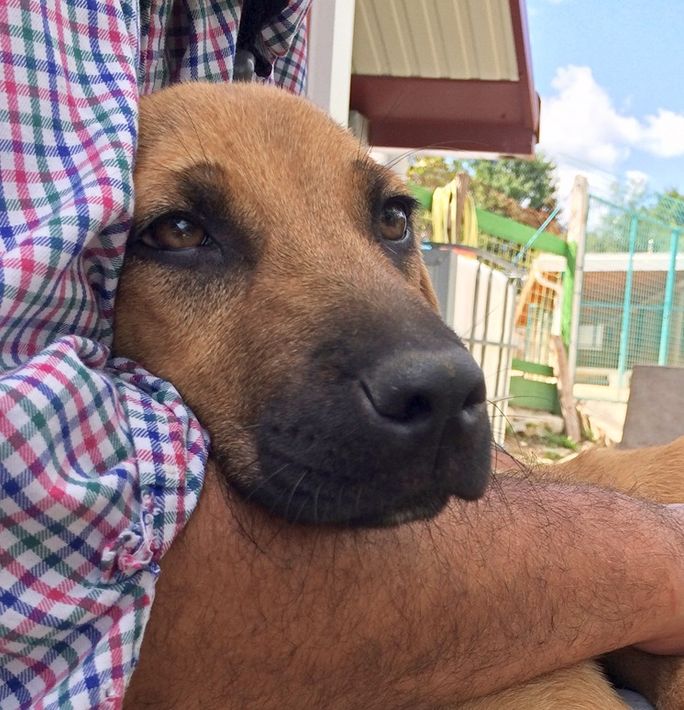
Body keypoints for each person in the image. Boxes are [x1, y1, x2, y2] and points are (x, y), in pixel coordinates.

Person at [0, 2, 682, 708]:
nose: (434, 368)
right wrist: (645, 566)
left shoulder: (264, 30)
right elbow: (45, 537)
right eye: (179, 232)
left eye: (389, 222)